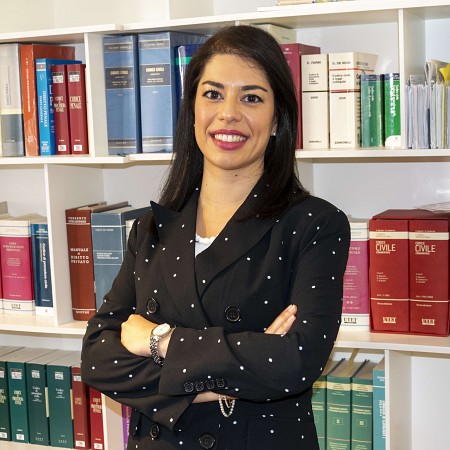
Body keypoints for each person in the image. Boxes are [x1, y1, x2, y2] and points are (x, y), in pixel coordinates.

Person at [81, 25, 350, 450]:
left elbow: (296, 361)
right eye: (212, 94)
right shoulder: (150, 228)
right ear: (192, 111)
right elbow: (98, 357)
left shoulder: (315, 224)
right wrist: (216, 382)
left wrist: (159, 341)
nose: (228, 114)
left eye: (251, 98)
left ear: (278, 120)